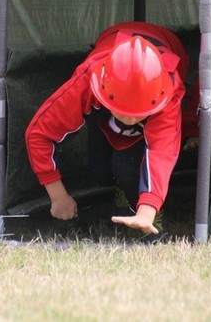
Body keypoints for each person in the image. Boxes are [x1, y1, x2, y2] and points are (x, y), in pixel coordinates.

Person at [24, 21, 189, 241]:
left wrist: (147, 211)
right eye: (122, 111)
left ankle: (145, 205)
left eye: (138, 114)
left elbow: (162, 153)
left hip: (169, 50)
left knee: (127, 167)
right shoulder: (87, 79)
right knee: (99, 170)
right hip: (105, 71)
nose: (130, 120)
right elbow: (38, 133)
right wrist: (58, 196)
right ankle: (119, 190)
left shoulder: (169, 91)